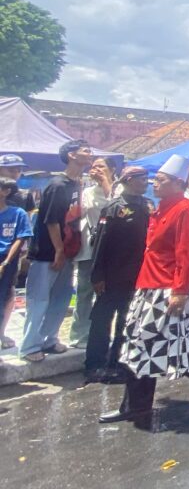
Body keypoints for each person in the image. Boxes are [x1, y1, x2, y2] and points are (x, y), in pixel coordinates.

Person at [100, 155, 189, 423]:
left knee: (166, 341)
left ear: (177, 183)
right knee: (143, 342)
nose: (153, 184)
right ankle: (137, 404)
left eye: (160, 180)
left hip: (169, 286)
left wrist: (180, 290)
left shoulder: (185, 210)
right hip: (149, 283)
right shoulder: (161, 208)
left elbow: (187, 252)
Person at [21, 139, 91, 362]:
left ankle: (49, 339)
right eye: (85, 151)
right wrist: (58, 250)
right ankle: (30, 345)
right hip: (48, 252)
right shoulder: (57, 185)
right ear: (71, 155)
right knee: (39, 299)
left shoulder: (77, 184)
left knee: (60, 298)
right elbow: (51, 220)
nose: (89, 155)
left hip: (68, 250)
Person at [85, 166, 152, 384]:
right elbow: (100, 244)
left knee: (127, 320)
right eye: (142, 178)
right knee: (102, 321)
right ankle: (94, 366)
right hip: (111, 275)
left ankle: (117, 363)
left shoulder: (146, 206)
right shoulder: (114, 208)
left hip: (135, 275)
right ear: (129, 180)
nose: (146, 182)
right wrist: (97, 276)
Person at [70, 156, 117, 349]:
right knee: (84, 291)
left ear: (112, 170)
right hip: (89, 248)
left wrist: (105, 182)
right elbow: (78, 213)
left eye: (101, 167)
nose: (96, 169)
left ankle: (102, 334)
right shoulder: (87, 191)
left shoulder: (119, 189)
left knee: (107, 294)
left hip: (112, 250)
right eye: (94, 166)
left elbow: (117, 206)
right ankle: (79, 335)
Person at [0, 178, 32, 359]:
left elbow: (20, 238)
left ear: (6, 191)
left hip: (7, 261)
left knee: (3, 298)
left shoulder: (17, 213)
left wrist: (6, 263)